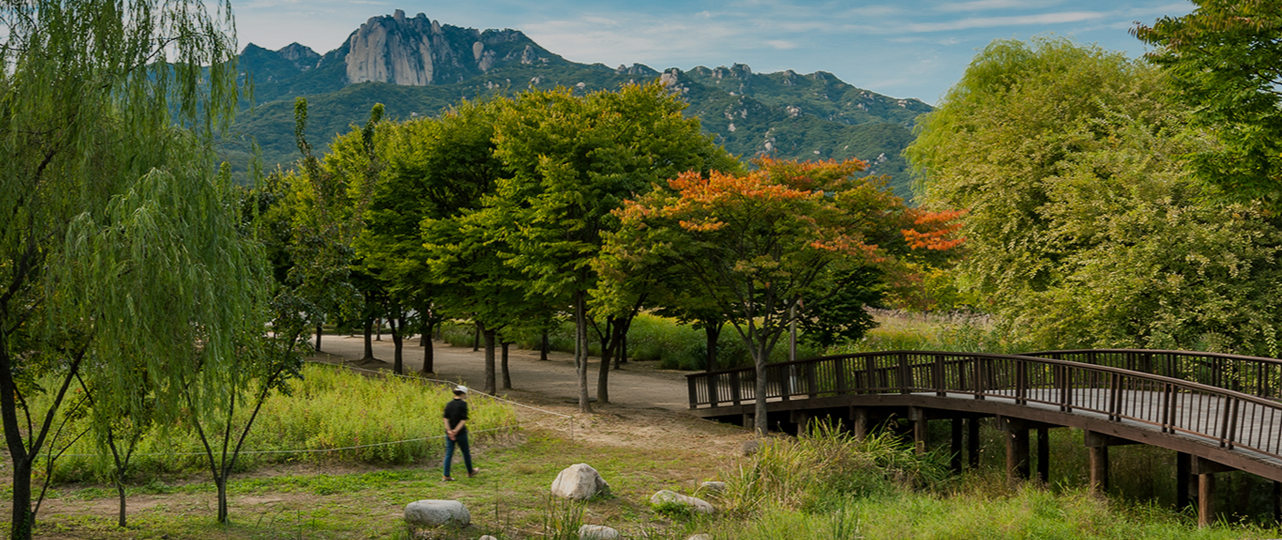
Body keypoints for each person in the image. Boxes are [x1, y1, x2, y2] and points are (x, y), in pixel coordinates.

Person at [441, 385, 478, 481]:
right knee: (465, 452)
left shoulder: (449, 404)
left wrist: (449, 431)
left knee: (449, 454)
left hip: (449, 434)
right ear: (463, 394)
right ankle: (470, 471)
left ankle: (446, 475)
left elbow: (445, 419)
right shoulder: (463, 404)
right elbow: (463, 420)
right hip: (460, 433)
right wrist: (456, 431)